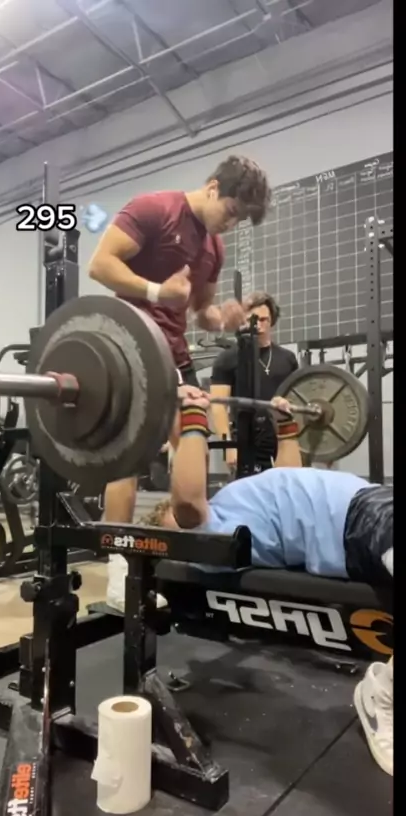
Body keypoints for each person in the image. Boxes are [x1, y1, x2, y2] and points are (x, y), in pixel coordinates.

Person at [142, 385, 394, 777]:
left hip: (366, 503)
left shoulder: (230, 505)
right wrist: (193, 418)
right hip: (358, 521)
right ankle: (383, 693)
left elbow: (289, 476)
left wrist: (286, 426)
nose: (181, 522)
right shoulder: (209, 544)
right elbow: (188, 502)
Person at [88, 154, 272, 610]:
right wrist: (156, 291)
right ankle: (119, 575)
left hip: (173, 352)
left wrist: (223, 318)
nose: (231, 223)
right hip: (130, 344)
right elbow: (100, 265)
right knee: (128, 459)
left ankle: (189, 559)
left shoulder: (214, 248)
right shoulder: (154, 209)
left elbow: (201, 311)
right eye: (231, 211)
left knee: (192, 442)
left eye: (239, 219)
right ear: (212, 188)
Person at [210, 292, 300, 474]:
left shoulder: (287, 359)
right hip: (245, 441)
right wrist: (228, 446)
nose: (258, 325)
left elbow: (295, 401)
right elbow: (218, 406)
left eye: (264, 319)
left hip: (280, 439)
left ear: (272, 321)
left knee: (286, 486)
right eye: (253, 319)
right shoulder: (227, 359)